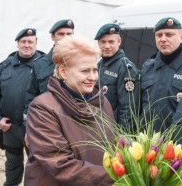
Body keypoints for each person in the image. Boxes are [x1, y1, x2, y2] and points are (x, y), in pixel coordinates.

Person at [24, 35, 114, 186]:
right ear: (63, 72)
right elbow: (60, 165)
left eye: (94, 70)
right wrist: (117, 176)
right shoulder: (43, 108)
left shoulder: (102, 102)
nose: (92, 77)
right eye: (85, 71)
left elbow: (113, 145)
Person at [0, 28, 44, 185]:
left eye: (30, 42)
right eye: (23, 42)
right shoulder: (4, 66)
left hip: (35, 128)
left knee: (38, 167)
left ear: (36, 43)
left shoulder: (44, 66)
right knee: (12, 166)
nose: (26, 45)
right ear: (18, 44)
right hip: (10, 128)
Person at [141, 17, 182, 132]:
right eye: (159, 35)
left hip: (179, 145)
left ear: (181, 37)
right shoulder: (148, 67)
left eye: (169, 34)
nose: (163, 39)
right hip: (147, 143)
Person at [23, 19, 74, 115]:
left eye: (69, 34)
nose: (65, 37)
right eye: (61, 34)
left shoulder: (81, 61)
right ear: (52, 36)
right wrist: (29, 121)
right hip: (47, 120)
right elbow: (31, 95)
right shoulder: (40, 64)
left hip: (74, 121)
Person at [94, 23, 139, 131]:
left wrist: (123, 138)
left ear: (119, 42)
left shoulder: (126, 68)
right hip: (98, 128)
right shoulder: (99, 65)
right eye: (103, 42)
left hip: (114, 132)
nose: (107, 46)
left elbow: (128, 108)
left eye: (111, 42)